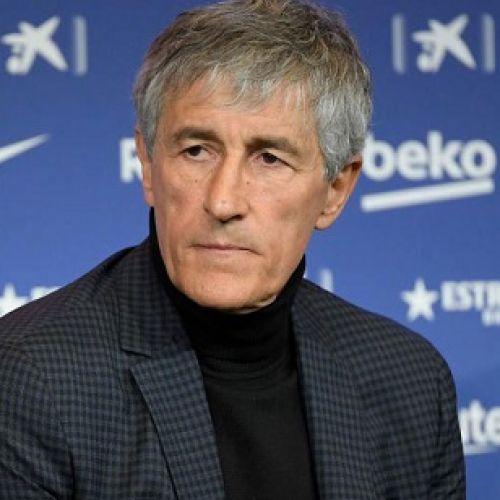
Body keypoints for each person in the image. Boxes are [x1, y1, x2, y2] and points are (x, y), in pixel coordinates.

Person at [0, 0, 465, 498]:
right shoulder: (32, 377)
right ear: (149, 165)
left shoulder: (410, 381)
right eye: (196, 150)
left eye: (269, 158)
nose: (223, 201)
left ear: (336, 190)